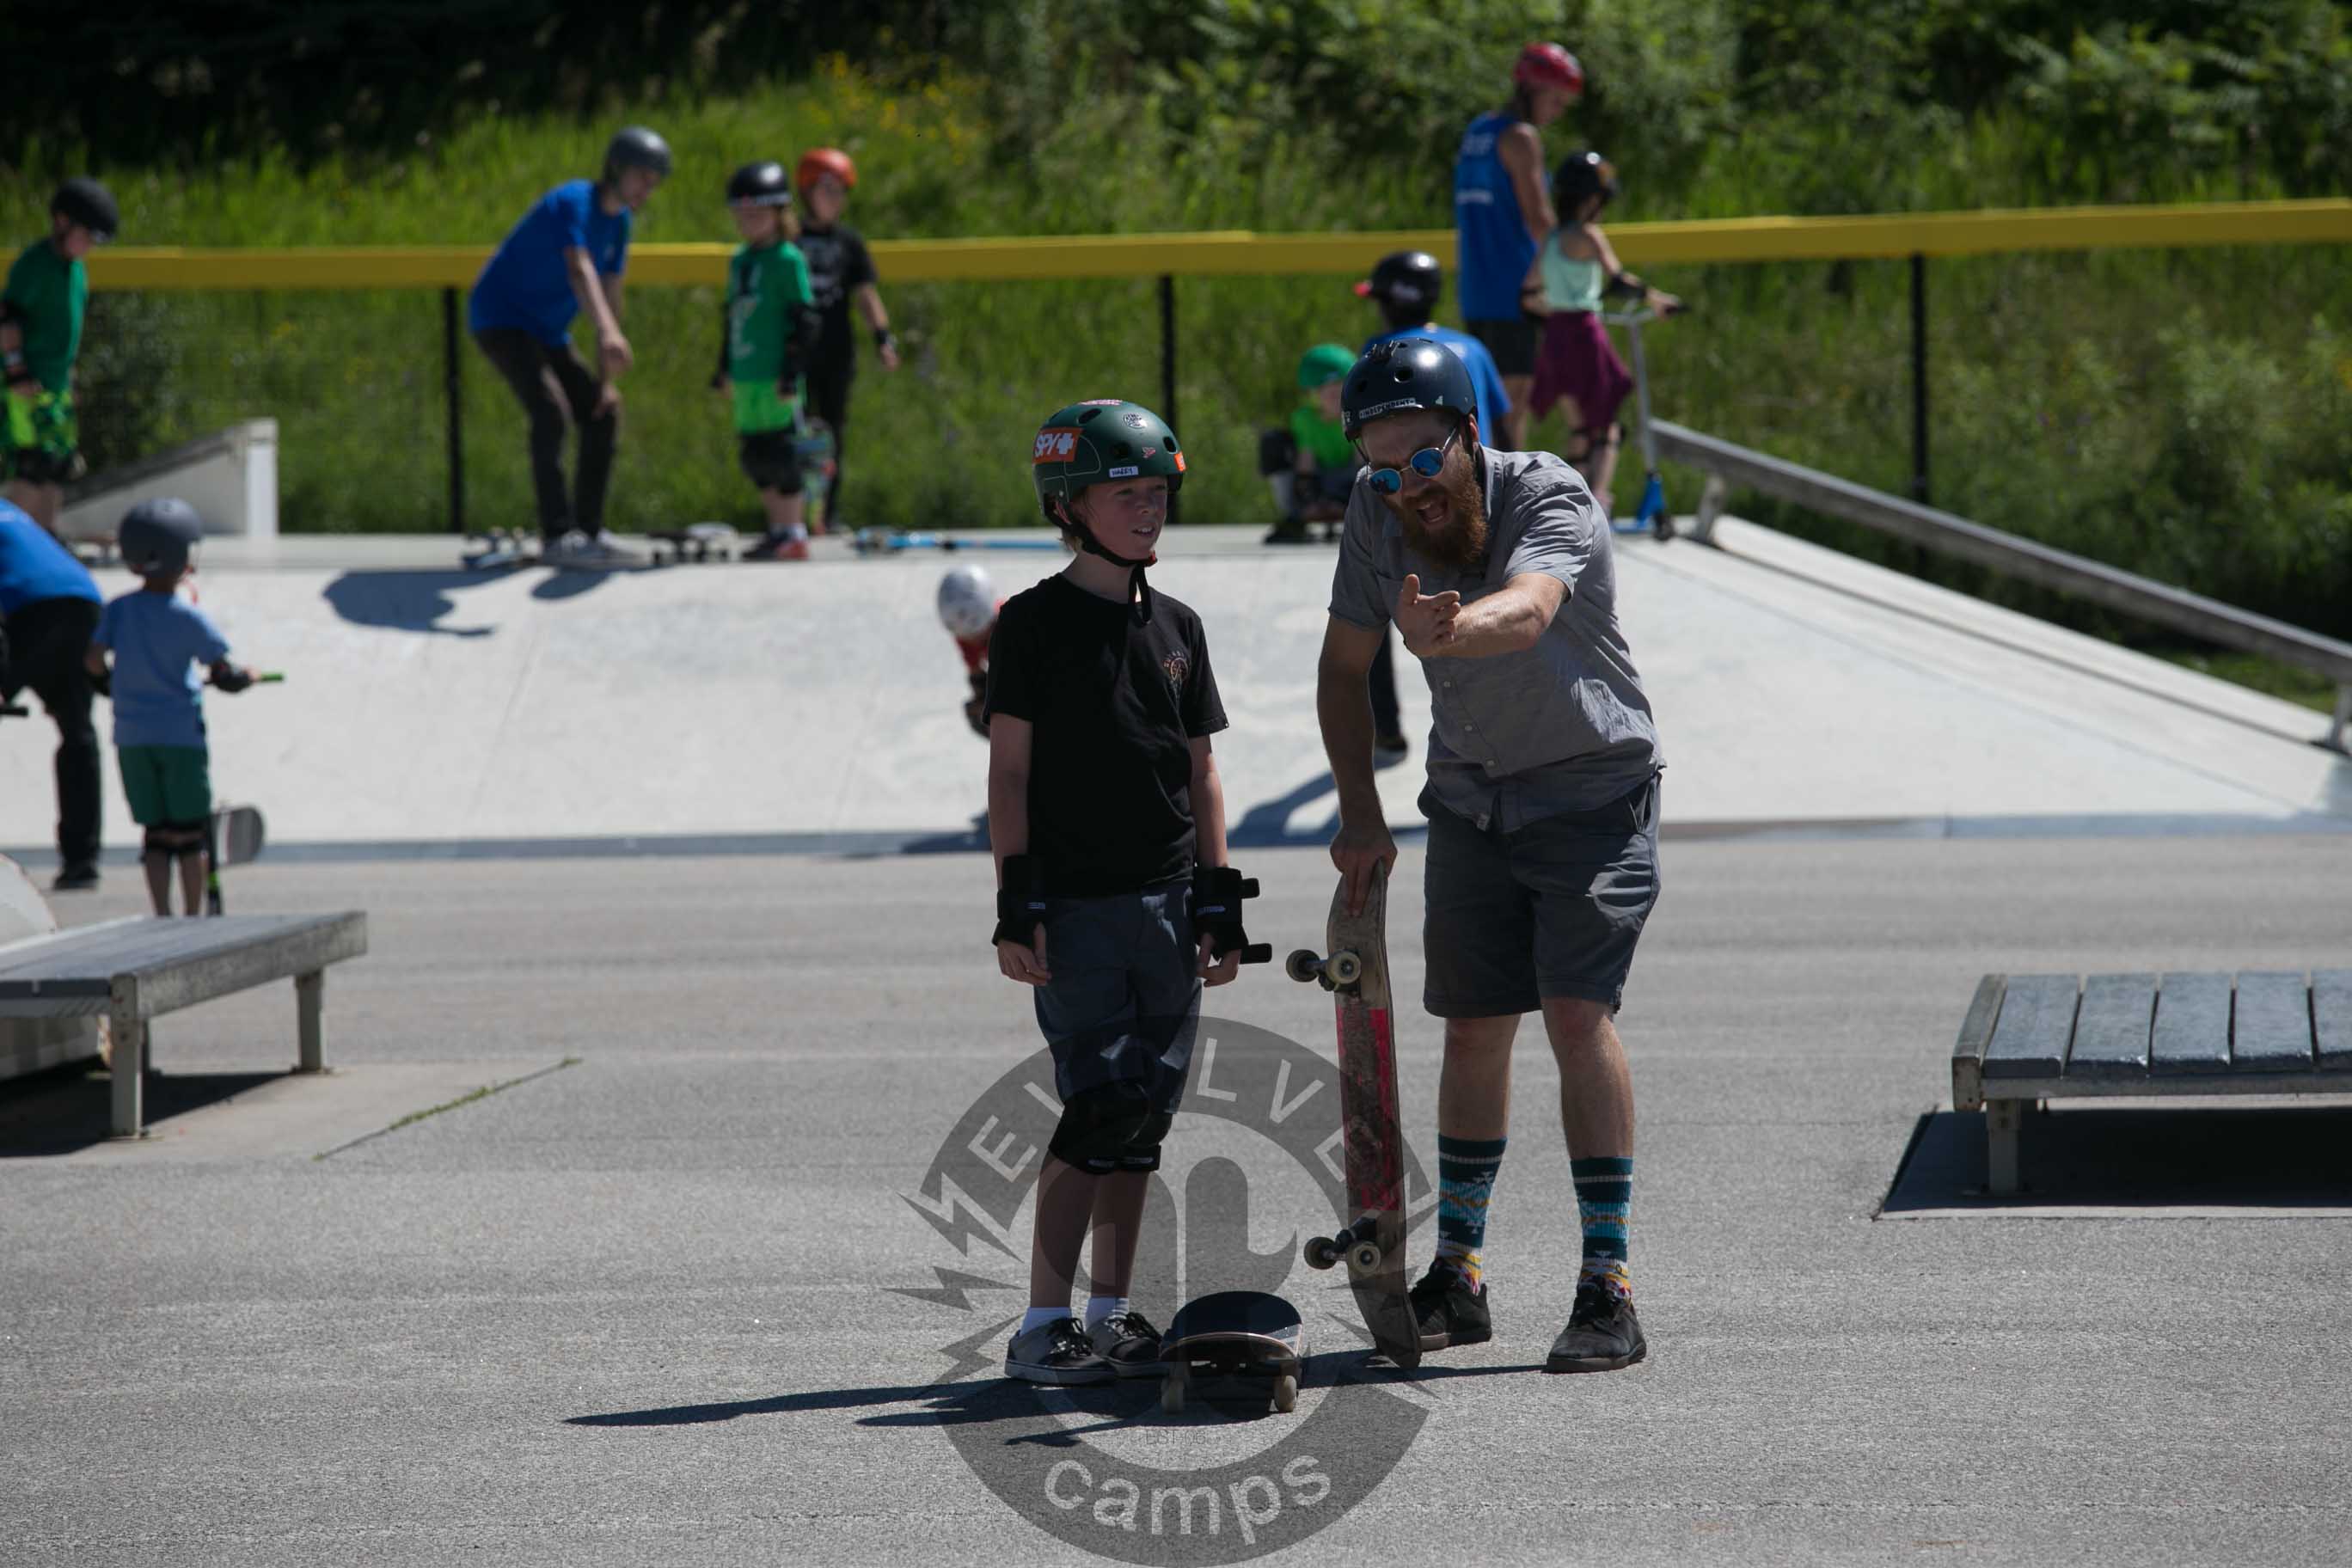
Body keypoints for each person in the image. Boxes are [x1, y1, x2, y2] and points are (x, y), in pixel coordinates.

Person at [1314, 339, 1663, 1375]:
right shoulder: (1374, 514)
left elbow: (1531, 610)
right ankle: (1459, 1276)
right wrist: (1359, 810)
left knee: (1574, 1016)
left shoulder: (1549, 493)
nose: (1408, 488)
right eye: (1384, 469)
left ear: (1471, 435)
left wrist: (1449, 630)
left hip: (1591, 793)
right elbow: (1341, 668)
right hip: (1472, 799)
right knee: (1472, 1028)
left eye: (1425, 460)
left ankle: (1608, 1285)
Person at [984, 399, 1261, 1383]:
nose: (1149, 509)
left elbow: (1202, 771)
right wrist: (1016, 905)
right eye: (1125, 494)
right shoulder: (1032, 625)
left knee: (1142, 1121)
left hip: (1168, 907)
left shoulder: (1179, 627)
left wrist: (1218, 897)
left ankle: (1111, 1311)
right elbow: (1009, 775)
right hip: (1076, 909)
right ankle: (1040, 1322)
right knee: (1095, 1110)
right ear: (1068, 505)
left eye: (1157, 492)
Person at [469, 127, 670, 563]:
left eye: (654, 182)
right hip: (500, 318)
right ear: (616, 168)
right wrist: (608, 333)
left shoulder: (620, 223)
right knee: (550, 411)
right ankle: (557, 535)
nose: (647, 189)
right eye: (641, 177)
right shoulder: (573, 201)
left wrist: (605, 378)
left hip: (545, 330)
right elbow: (580, 270)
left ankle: (589, 531)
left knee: (602, 411)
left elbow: (611, 290)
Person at [83, 499, 258, 917]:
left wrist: (108, 684)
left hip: (132, 738)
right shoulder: (187, 616)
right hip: (180, 737)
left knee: (156, 836)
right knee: (190, 836)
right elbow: (223, 670)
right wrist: (246, 676)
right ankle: (192, 917)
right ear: (183, 557)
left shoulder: (118, 610)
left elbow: (92, 659)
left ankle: (161, 914)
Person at [1522, 151, 1681, 501]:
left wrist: (1554, 306)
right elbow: (1619, 278)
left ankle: (1571, 503)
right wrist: (1656, 299)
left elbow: (1529, 292)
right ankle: (1600, 498)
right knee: (1608, 425)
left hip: (1556, 336)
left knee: (1579, 428)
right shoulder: (1590, 235)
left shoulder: (1550, 239)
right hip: (1585, 333)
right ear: (1593, 200)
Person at [1454, 42, 1583, 452]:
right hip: (1515, 289)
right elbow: (1540, 221)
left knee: (1485, 409)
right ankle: (1507, 492)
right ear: (1533, 89)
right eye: (1556, 101)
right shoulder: (1521, 138)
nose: (1558, 112)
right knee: (1511, 412)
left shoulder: (1478, 131)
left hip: (1476, 287)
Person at [714, 161, 822, 562]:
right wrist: (723, 368)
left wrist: (791, 373)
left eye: (756, 214)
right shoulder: (740, 260)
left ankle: (794, 531)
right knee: (755, 457)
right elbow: (732, 318)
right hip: (746, 375)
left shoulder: (787, 259)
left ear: (779, 213)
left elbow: (805, 321)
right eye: (741, 215)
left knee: (782, 454)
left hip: (776, 375)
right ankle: (776, 531)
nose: (748, 222)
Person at [793, 149, 901, 533]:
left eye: (841, 192)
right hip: (795, 352)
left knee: (833, 433)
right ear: (807, 191)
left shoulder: (849, 242)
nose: (836, 199)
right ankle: (792, 514)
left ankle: (827, 513)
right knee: (793, 430)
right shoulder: (790, 239)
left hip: (835, 352)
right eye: (828, 190)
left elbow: (866, 295)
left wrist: (883, 338)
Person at [0, 493, 104, 888]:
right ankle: (82, 861)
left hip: (30, 611)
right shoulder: (11, 511)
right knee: (77, 733)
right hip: (83, 601)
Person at [3, 178, 118, 535]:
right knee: (32, 467)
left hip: (57, 386)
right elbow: (8, 320)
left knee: (57, 466)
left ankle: (46, 540)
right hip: (27, 385)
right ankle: (9, 544)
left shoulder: (76, 270)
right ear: (61, 222)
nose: (89, 247)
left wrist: (70, 379)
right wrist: (16, 372)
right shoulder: (34, 265)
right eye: (86, 236)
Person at [1259, 343, 1357, 546]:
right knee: (1273, 442)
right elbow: (1307, 462)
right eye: (1327, 393)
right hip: (1322, 479)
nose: (1334, 398)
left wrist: (1354, 500)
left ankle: (1364, 511)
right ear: (1314, 393)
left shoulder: (1356, 415)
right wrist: (1309, 500)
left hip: (1350, 479)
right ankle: (1295, 515)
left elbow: (1362, 460)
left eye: (1339, 390)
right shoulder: (1305, 419)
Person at [937, 562, 1001, 738]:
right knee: (978, 714)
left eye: (979, 634)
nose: (974, 641)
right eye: (968, 637)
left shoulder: (1012, 624)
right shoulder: (963, 633)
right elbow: (976, 675)